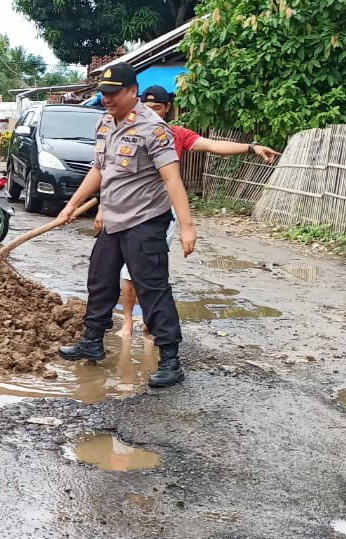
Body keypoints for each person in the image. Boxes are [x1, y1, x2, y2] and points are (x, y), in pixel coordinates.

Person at [56, 64, 197, 388]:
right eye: (104, 93)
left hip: (146, 221)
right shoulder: (105, 123)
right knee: (101, 281)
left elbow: (172, 179)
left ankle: (170, 360)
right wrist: (72, 204)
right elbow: (99, 170)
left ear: (132, 91)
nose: (107, 99)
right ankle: (92, 340)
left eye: (113, 93)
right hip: (115, 220)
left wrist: (187, 226)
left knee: (152, 288)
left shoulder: (154, 128)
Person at [113, 85, 282, 337]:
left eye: (157, 108)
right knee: (127, 273)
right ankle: (127, 323)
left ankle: (149, 320)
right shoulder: (125, 133)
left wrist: (251, 147)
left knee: (149, 271)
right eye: (146, 108)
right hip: (128, 211)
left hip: (160, 214)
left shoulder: (175, 135)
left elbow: (213, 145)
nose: (151, 113)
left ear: (167, 109)